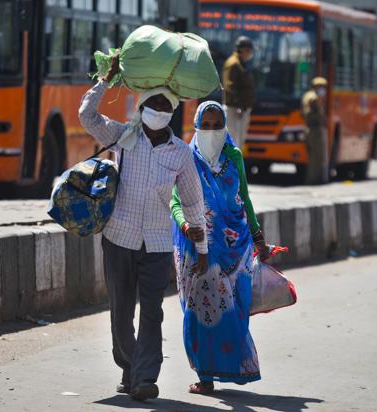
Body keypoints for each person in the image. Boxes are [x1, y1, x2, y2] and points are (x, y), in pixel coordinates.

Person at [78, 55, 209, 401]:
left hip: (157, 244)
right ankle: (130, 367)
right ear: (141, 106)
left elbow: (194, 202)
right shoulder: (123, 136)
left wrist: (203, 246)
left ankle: (144, 378)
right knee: (121, 312)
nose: (159, 110)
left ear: (172, 112)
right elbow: (86, 116)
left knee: (152, 311)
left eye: (165, 105)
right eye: (154, 103)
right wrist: (105, 80)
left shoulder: (180, 154)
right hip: (118, 238)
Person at [171, 101, 271, 395]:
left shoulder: (234, 156)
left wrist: (258, 237)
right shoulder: (186, 159)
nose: (212, 131)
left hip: (235, 248)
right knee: (198, 312)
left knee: (234, 312)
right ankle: (205, 375)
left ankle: (239, 366)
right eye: (206, 125)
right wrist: (186, 226)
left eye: (217, 125)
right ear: (196, 126)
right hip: (196, 248)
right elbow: (176, 201)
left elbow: (245, 198)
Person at [222, 36, 256, 149]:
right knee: (233, 142)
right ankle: (231, 166)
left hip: (240, 108)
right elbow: (230, 87)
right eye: (248, 51)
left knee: (239, 142)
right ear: (241, 50)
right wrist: (239, 105)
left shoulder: (240, 63)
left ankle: (236, 166)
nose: (249, 54)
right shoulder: (233, 64)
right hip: (234, 109)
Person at [301, 77, 329, 185]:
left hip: (309, 128)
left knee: (313, 157)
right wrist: (322, 119)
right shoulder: (313, 98)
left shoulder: (307, 96)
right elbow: (312, 113)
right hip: (315, 129)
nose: (323, 89)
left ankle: (313, 179)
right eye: (321, 87)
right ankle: (314, 180)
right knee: (317, 157)